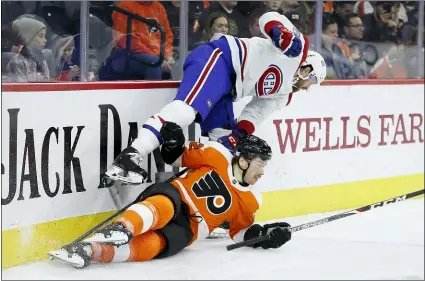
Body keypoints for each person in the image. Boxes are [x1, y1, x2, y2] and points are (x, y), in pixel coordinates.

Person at [105, 11, 326, 185]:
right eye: (313, 82)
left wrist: (239, 134)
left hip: (228, 88)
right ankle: (130, 157)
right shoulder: (298, 50)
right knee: (186, 109)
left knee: (225, 147)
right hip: (221, 58)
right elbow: (270, 17)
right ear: (307, 70)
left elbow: (255, 113)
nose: (308, 88)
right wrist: (280, 32)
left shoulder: (284, 95)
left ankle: (203, 201)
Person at [49, 122, 292, 268]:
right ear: (244, 159)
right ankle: (123, 227)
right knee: (163, 207)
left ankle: (90, 251)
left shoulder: (251, 200)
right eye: (260, 164)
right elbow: (175, 158)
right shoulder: (216, 154)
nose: (262, 172)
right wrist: (173, 141)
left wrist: (265, 235)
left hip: (189, 230)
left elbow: (239, 233)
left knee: (154, 246)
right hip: (175, 196)